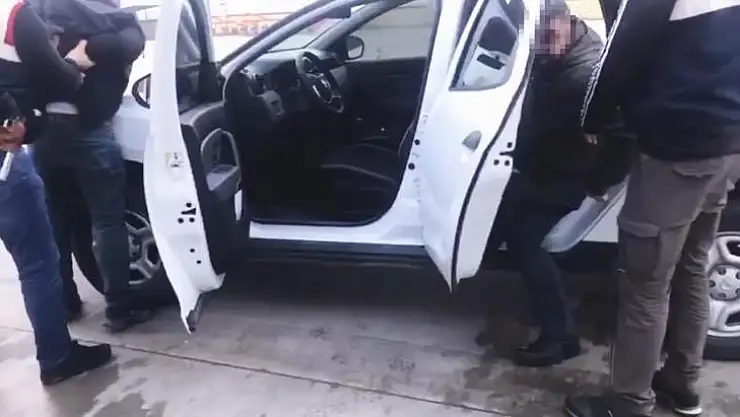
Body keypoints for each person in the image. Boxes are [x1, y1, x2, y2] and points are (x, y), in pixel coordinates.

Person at [564, 2, 740, 417]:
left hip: (675, 153)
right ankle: (682, 382)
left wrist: (591, 121)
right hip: (726, 145)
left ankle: (629, 401)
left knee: (644, 283)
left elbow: (617, 57)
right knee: (691, 265)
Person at [475, 1, 634, 367]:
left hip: (566, 175)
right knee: (502, 217)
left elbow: (624, 136)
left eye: (552, 28)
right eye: (539, 31)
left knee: (523, 239)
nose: (546, 37)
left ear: (569, 21)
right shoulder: (557, 54)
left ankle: (560, 337)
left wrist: (600, 181)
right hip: (543, 166)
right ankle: (545, 296)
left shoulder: (586, 74)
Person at [0, 1, 111, 385]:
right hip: (5, 162)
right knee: (38, 263)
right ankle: (57, 357)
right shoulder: (12, 14)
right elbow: (61, 80)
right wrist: (75, 62)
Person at [29, 0, 152, 332]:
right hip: (89, 130)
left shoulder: (35, 19)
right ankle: (119, 310)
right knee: (108, 222)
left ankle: (65, 303)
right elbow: (132, 44)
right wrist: (91, 50)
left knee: (55, 223)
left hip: (43, 132)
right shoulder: (113, 20)